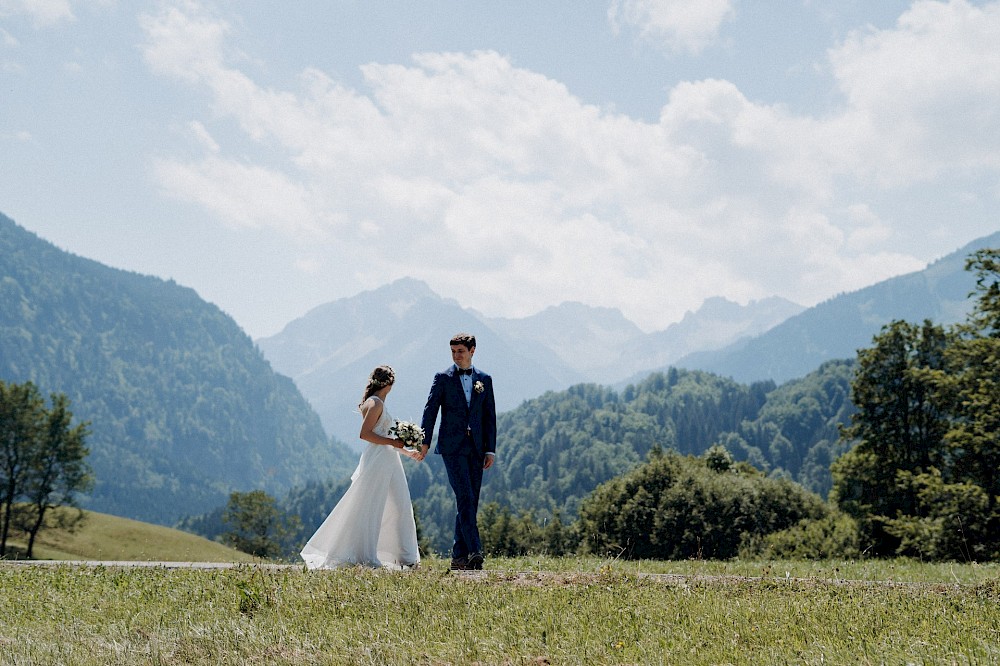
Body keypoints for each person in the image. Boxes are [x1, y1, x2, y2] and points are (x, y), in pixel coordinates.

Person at [301, 365, 422, 570]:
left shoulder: (375, 402)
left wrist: (405, 451)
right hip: (380, 461)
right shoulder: (375, 403)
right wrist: (393, 444)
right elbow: (365, 434)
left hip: (387, 459)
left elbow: (384, 437)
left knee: (399, 506)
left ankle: (403, 556)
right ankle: (376, 555)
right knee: (374, 506)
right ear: (389, 384)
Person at [419, 333, 497, 570]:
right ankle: (475, 550)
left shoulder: (485, 379)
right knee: (464, 497)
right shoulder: (442, 378)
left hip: (477, 449)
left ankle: (458, 557)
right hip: (452, 447)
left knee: (470, 500)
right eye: (453, 352)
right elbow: (430, 410)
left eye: (460, 351)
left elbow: (489, 417)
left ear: (472, 350)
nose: (456, 356)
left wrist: (490, 450)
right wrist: (424, 441)